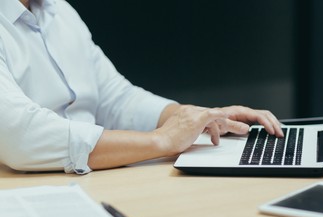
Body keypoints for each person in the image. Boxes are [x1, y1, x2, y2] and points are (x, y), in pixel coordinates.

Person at [0, 0, 284, 174]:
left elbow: (115, 98)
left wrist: (194, 117)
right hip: (32, 196)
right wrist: (161, 141)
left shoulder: (59, 10)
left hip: (92, 181)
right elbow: (20, 136)